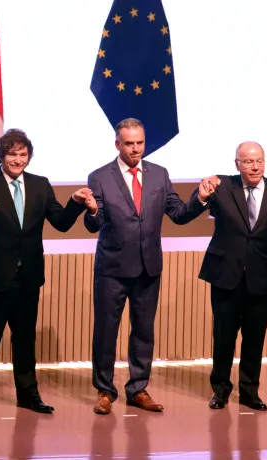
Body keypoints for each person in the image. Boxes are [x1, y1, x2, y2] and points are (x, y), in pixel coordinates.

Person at [85, 118, 216, 415]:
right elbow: (94, 223)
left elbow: (178, 214)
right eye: (129, 144)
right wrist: (92, 210)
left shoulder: (159, 174)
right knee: (106, 331)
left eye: (140, 143)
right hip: (112, 269)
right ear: (117, 144)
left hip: (148, 267)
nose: (135, 149)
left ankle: (138, 388)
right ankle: (104, 391)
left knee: (143, 331)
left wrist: (200, 198)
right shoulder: (99, 177)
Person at [0, 129, 93, 416]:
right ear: (1, 155)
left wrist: (75, 202)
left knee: (25, 341)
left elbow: (60, 222)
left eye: (23, 154)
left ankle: (28, 395)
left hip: (27, 279)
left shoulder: (40, 185)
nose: (18, 160)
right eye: (12, 154)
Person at [199, 142, 267, 411]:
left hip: (262, 276)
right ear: (237, 164)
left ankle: (249, 392)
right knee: (224, 337)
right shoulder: (222, 187)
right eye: (249, 162)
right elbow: (190, 212)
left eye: (259, 161)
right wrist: (202, 195)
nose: (255, 167)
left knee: (254, 339)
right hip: (225, 275)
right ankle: (220, 390)